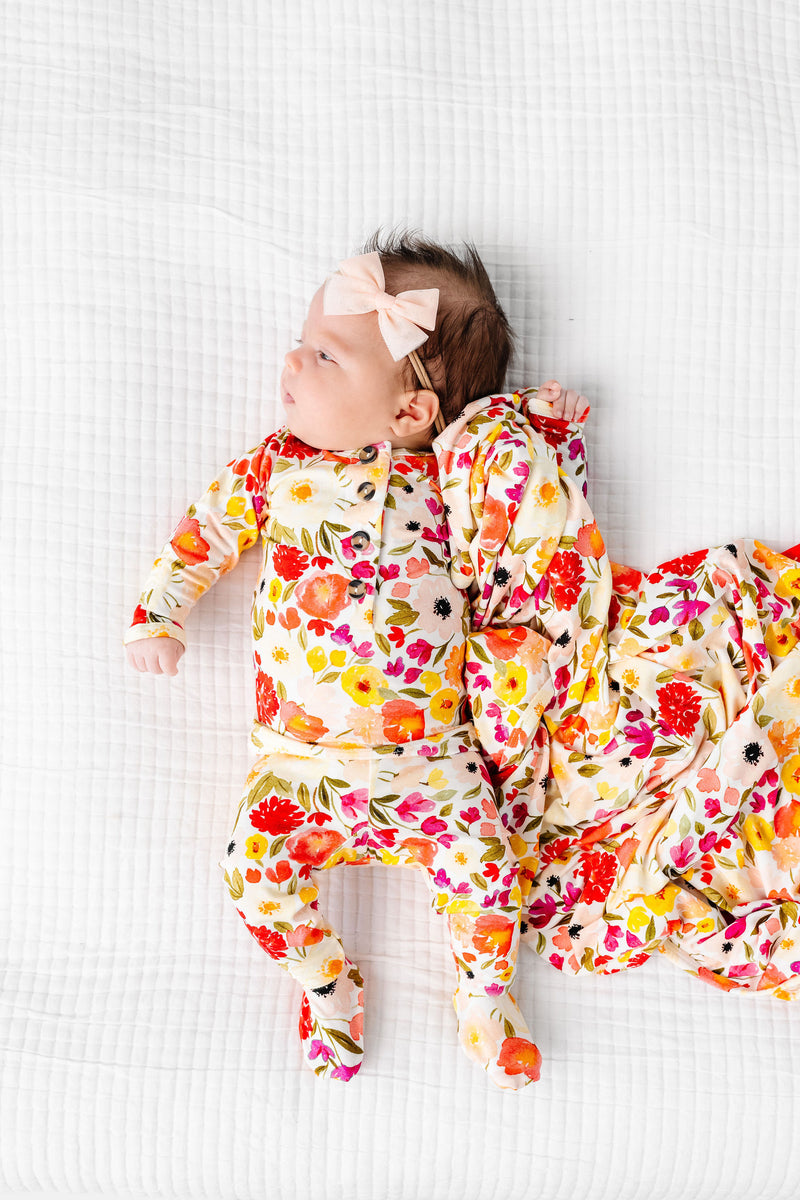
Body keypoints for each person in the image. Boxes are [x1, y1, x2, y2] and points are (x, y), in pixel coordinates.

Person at [125, 231, 588, 1087]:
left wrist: (541, 429)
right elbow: (207, 531)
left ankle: (486, 994)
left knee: (490, 871)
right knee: (249, 873)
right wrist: (162, 611)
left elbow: (517, 508)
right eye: (304, 343)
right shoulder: (277, 469)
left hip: (434, 767)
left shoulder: (451, 476)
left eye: (325, 356)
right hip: (299, 768)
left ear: (412, 413)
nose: (291, 362)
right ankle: (326, 978)